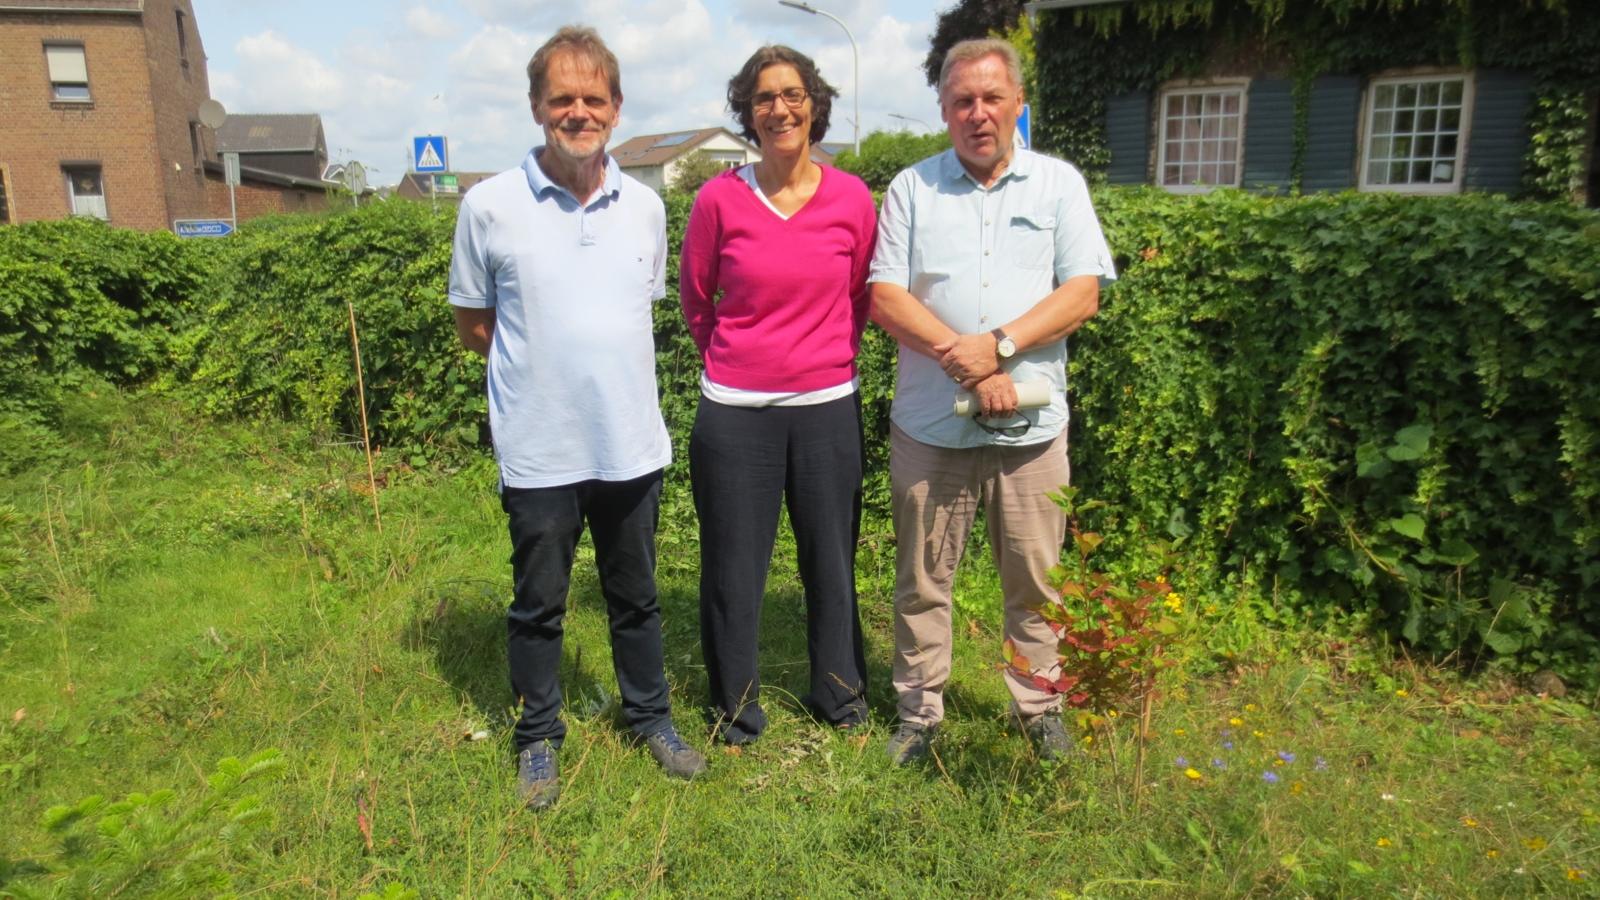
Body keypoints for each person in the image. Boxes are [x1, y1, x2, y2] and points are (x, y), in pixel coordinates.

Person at [447, 25, 706, 809]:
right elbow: (475, 326)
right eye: (562, 98)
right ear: (536, 107)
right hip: (540, 447)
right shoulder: (487, 207)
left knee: (637, 598)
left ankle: (651, 718)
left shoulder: (647, 208)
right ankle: (537, 739)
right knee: (538, 605)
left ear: (617, 108)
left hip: (629, 443)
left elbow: (633, 310)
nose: (579, 112)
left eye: (594, 98)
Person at [866, 38, 1117, 764]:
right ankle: (919, 714)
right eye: (962, 101)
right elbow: (886, 297)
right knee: (922, 580)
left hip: (1032, 430)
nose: (978, 113)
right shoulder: (911, 188)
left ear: (1017, 105)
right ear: (945, 111)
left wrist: (999, 346)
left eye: (991, 98)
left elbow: (1083, 292)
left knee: (1036, 583)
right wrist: (973, 368)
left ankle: (1039, 707)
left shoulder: (1058, 185)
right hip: (932, 428)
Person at [679, 45, 877, 745]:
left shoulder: (852, 199)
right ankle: (735, 712)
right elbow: (696, 300)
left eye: (793, 94)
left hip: (827, 410)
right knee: (733, 572)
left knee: (832, 563)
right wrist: (742, 364)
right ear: (748, 112)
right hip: (736, 417)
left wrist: (820, 360)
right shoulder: (717, 200)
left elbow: (861, 297)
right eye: (764, 97)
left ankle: (841, 697)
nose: (779, 109)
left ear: (814, 106)